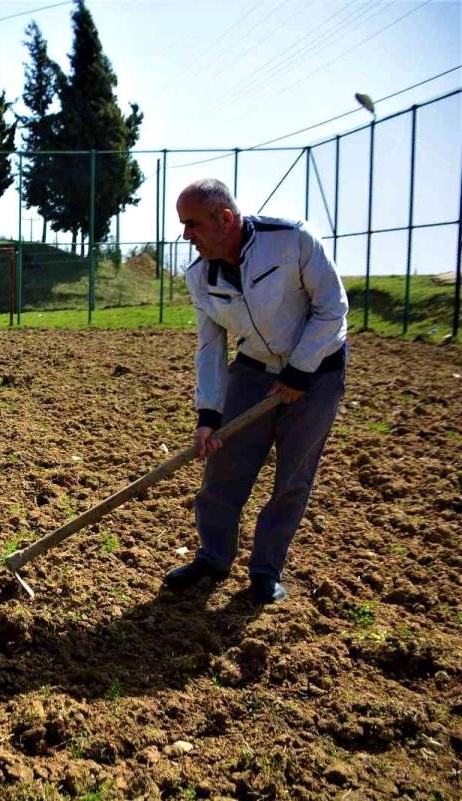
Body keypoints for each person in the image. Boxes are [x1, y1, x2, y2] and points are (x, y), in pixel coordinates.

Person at [164, 179, 348, 605]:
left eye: (191, 224)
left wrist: (301, 371)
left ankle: (265, 570)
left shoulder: (292, 240)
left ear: (224, 218)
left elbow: (332, 308)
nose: (185, 235)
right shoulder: (200, 276)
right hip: (254, 367)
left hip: (317, 370)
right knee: (223, 468)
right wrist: (208, 415)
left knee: (292, 477)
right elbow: (211, 346)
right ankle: (213, 557)